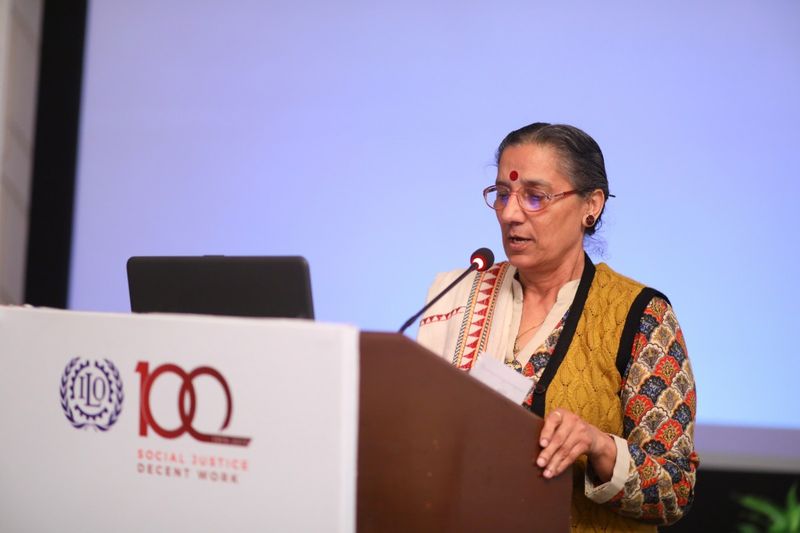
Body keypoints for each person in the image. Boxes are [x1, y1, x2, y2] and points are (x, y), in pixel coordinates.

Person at [416, 122, 698, 532]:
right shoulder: (459, 297)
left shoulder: (638, 316)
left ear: (591, 205)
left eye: (535, 196)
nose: (510, 213)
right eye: (503, 194)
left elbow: (675, 490)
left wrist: (598, 446)